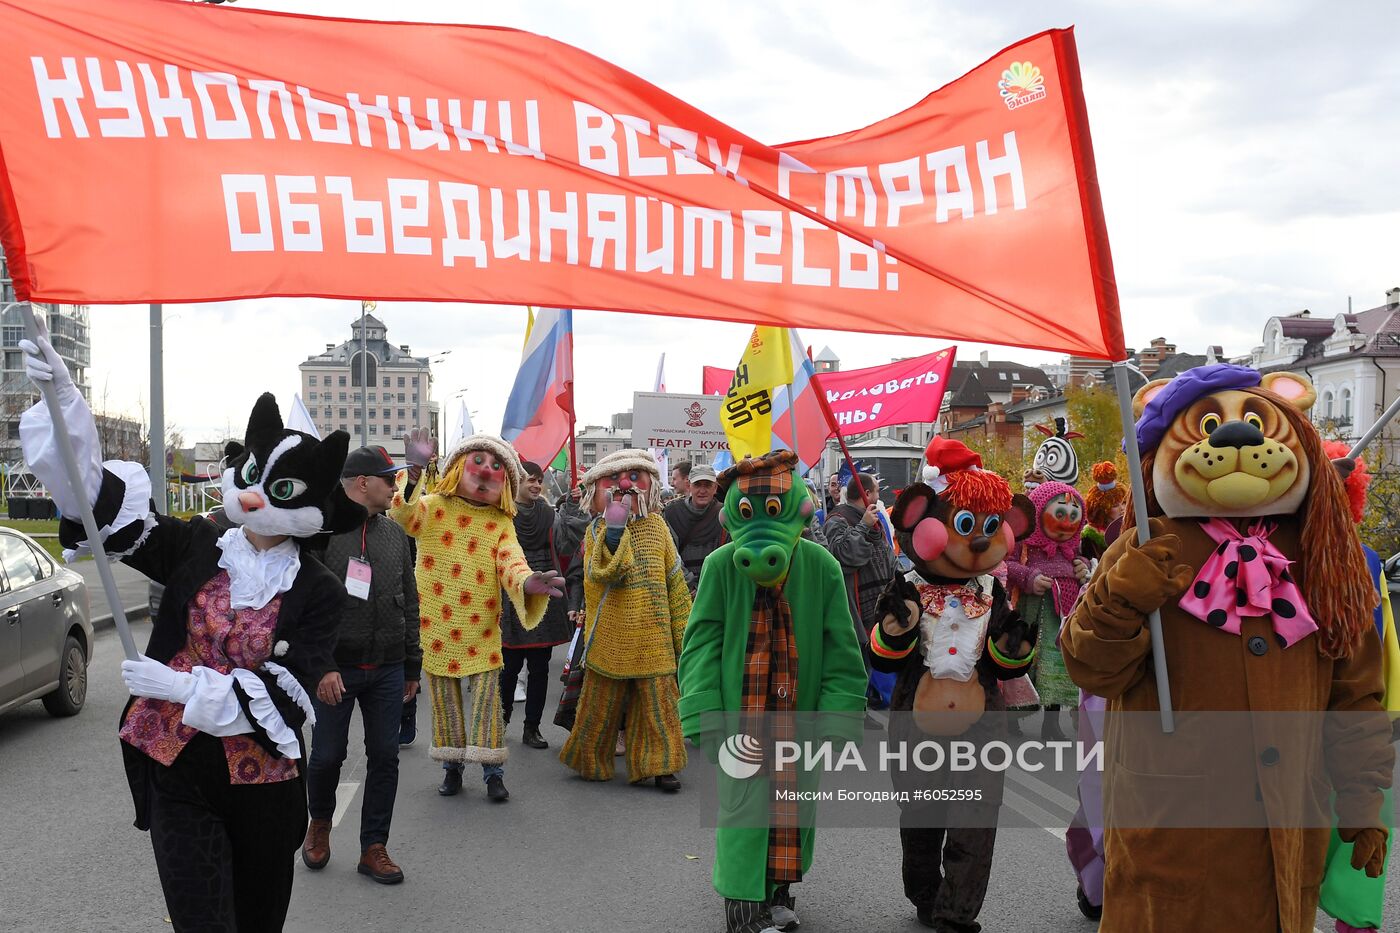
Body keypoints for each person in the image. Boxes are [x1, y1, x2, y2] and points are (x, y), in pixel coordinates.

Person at [22, 325, 360, 931]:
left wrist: (180, 686)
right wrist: (65, 403)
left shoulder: (320, 591)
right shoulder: (197, 544)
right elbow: (104, 511)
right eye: (252, 476)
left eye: (277, 488)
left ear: (312, 508)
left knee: (256, 921)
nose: (257, 496)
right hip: (175, 767)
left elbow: (286, 701)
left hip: (263, 782)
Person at [679, 450, 868, 933]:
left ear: (802, 511)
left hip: (798, 714)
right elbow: (701, 641)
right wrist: (702, 708)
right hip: (739, 714)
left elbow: (842, 646)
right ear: (731, 518)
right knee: (744, 807)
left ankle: (778, 890)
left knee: (791, 806)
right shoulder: (722, 566)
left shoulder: (821, 567)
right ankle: (743, 911)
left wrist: (840, 712)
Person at [390, 429, 564, 802]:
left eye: (496, 466)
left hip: (482, 629)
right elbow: (403, 514)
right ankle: (452, 768)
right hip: (435, 627)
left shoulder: (501, 523)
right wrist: (416, 470)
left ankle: (493, 772)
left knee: (487, 703)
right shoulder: (434, 506)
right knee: (444, 703)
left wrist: (527, 581)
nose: (486, 471)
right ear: (457, 467)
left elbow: (512, 562)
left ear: (506, 480)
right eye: (479, 461)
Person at [301, 446, 421, 884]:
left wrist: (411, 665)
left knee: (385, 756)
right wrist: (322, 666)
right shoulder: (320, 534)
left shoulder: (393, 535)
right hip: (336, 669)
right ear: (362, 483)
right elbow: (305, 607)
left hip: (387, 668)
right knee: (328, 755)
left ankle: (374, 846)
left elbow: (409, 598)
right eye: (389, 479)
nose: (396, 487)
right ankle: (319, 823)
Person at [560, 449, 690, 791]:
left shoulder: (658, 526)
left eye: (635, 478)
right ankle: (590, 758)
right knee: (599, 707)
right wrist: (613, 534)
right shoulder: (595, 531)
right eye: (615, 480)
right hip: (611, 635)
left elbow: (675, 581)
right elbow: (601, 576)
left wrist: (685, 636)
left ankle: (661, 766)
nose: (624, 485)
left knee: (660, 708)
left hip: (654, 635)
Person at [499, 460, 576, 750]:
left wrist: (571, 513)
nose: (535, 485)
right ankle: (501, 721)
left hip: (545, 595)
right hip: (513, 595)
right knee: (509, 668)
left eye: (539, 480)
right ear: (515, 482)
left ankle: (532, 728)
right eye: (530, 479)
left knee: (540, 668)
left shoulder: (550, 514)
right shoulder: (503, 513)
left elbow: (567, 548)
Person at [822, 473, 896, 713]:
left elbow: (886, 554)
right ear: (865, 494)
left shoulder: (873, 517)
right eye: (874, 490)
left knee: (871, 661)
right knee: (856, 662)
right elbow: (843, 557)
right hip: (855, 605)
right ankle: (851, 712)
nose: (877, 494)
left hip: (879, 601)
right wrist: (863, 526)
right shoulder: (837, 519)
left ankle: (863, 706)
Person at [663, 462, 727, 594]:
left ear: (715, 488)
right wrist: (690, 584)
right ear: (689, 486)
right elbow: (670, 554)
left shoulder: (725, 514)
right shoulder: (672, 513)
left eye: (708, 485)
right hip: (681, 590)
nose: (702, 491)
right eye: (697, 485)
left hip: (715, 589)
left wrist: (705, 587)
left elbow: (726, 556)